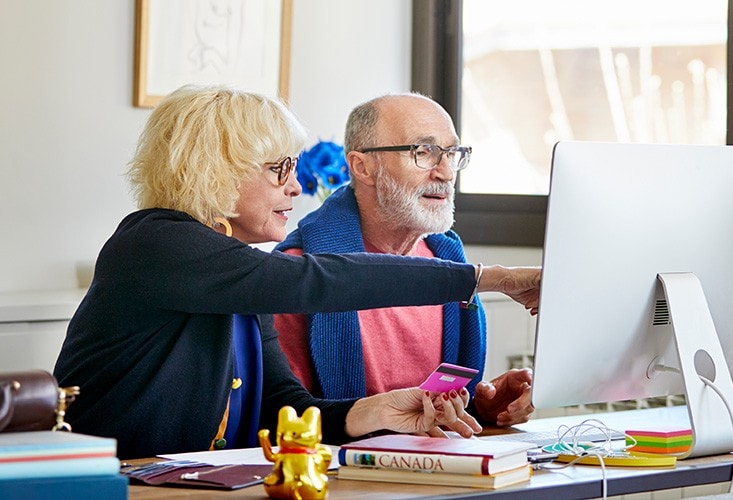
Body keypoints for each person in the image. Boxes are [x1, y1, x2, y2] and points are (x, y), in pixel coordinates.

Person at [52, 85, 541, 459]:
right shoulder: (155, 243)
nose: (295, 187)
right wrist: (488, 277)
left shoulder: (240, 272)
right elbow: (317, 280)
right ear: (214, 170)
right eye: (278, 169)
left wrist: (370, 412)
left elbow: (282, 407)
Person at [274, 93, 535, 428]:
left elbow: (435, 412)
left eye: (451, 153)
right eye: (423, 152)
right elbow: (285, 418)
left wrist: (485, 408)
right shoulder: (301, 273)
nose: (445, 173)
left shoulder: (448, 260)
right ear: (362, 166)